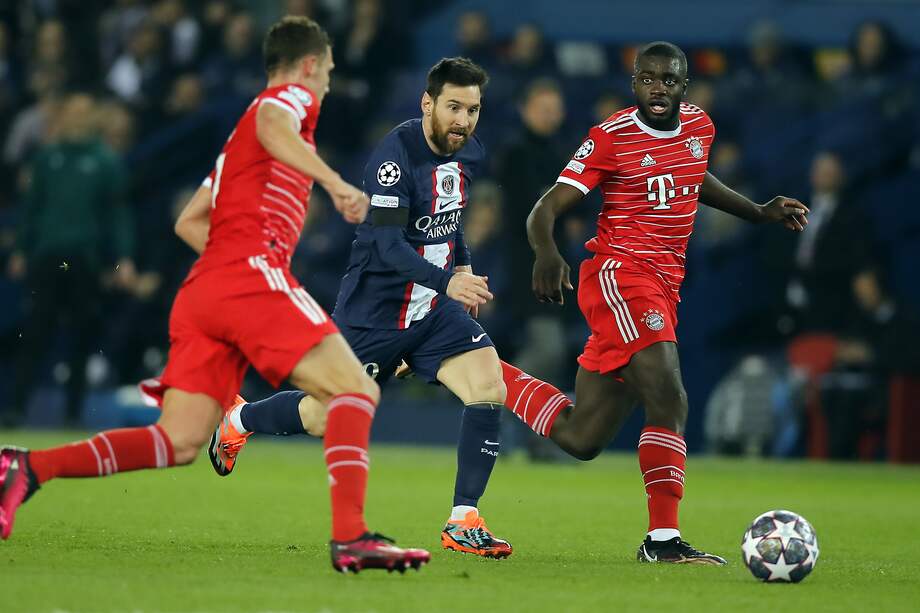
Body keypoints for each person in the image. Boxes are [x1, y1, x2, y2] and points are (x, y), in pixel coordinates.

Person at [0, 16, 430, 574]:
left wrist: (233, 264)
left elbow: (188, 222)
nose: (326, 83)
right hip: (248, 278)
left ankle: (28, 467)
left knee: (177, 441)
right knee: (355, 390)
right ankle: (351, 537)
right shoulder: (286, 104)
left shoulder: (236, 147)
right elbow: (278, 121)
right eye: (326, 71)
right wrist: (333, 182)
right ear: (307, 65)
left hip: (206, 289)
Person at [208, 57, 515, 559]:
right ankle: (240, 421)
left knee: (488, 387)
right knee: (322, 416)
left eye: (473, 109)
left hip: (433, 311)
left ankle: (463, 519)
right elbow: (389, 249)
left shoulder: (468, 151)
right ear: (428, 103)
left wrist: (461, 268)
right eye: (454, 107)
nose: (464, 120)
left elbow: (451, 219)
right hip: (375, 315)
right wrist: (447, 281)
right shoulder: (394, 159)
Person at [515, 41, 809, 563]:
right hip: (620, 276)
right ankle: (663, 540)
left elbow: (695, 180)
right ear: (635, 83)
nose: (658, 89)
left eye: (668, 81)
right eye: (648, 79)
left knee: (582, 437)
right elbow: (546, 206)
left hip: (664, 285)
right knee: (670, 396)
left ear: (683, 87)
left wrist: (758, 212)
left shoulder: (700, 126)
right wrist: (545, 251)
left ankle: (488, 373)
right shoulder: (610, 137)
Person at [7, 92, 137, 427]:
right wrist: (22, 249)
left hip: (84, 259)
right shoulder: (47, 158)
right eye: (73, 111)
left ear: (93, 118)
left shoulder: (104, 161)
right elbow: (32, 208)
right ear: (63, 115)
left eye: (84, 112)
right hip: (47, 256)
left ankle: (72, 412)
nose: (78, 118)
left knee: (81, 335)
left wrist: (123, 256)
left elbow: (116, 214)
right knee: (35, 333)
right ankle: (16, 407)